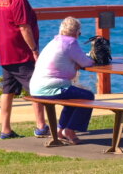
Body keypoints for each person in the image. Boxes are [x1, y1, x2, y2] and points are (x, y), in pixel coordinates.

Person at [0, 0, 47, 139]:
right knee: (36, 88)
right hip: (21, 52)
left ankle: (5, 129)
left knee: (7, 90)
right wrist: (34, 50)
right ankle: (41, 126)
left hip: (5, 53)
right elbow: (24, 27)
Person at [30, 16, 96, 144]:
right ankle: (70, 130)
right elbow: (86, 62)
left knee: (73, 97)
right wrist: (91, 60)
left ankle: (60, 130)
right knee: (88, 96)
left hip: (36, 87)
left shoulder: (54, 42)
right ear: (76, 32)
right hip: (50, 88)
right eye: (79, 33)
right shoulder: (70, 42)